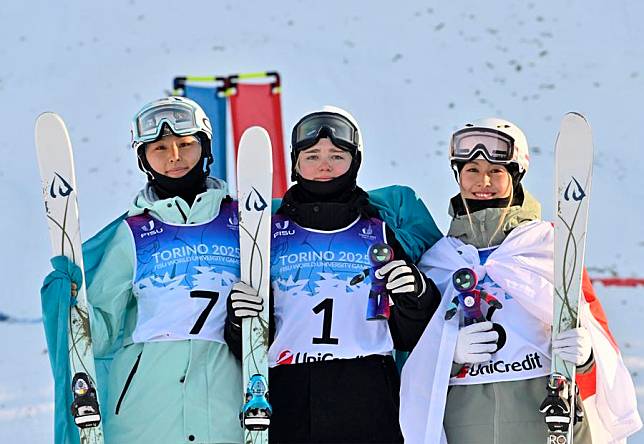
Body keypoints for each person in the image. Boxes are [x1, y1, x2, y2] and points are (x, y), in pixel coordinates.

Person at [399, 117, 642, 443]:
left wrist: (585, 357)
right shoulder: (439, 261)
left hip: (543, 418)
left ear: (516, 175)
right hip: (465, 423)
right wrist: (449, 352)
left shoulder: (548, 246)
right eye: (471, 170)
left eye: (495, 172)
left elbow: (594, 330)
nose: (482, 181)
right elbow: (415, 356)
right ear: (457, 176)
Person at [224, 106, 442, 443]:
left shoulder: (378, 230)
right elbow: (247, 342)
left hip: (367, 392)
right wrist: (240, 321)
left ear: (355, 161)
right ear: (295, 163)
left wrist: (415, 294)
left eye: (337, 155)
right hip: (287, 393)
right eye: (312, 155)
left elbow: (409, 336)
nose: (324, 165)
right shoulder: (267, 230)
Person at [42, 96, 244, 444]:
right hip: (144, 414)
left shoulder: (243, 223)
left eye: (185, 144)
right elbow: (103, 331)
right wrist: (74, 307)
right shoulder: (131, 234)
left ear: (206, 147)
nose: (174, 157)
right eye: (160, 148)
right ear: (144, 159)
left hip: (226, 410)